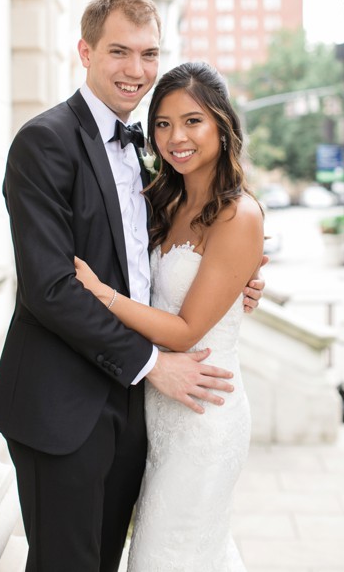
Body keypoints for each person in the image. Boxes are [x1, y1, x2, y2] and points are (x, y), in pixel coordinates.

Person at [0, 0, 264, 572]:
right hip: (62, 405)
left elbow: (164, 257)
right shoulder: (45, 141)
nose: (136, 70)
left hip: (135, 411)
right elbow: (50, 288)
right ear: (84, 52)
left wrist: (236, 281)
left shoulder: (147, 154)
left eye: (149, 53)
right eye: (118, 52)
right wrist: (153, 364)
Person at [73, 60, 263, 570]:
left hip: (205, 412)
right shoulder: (165, 198)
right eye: (163, 123)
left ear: (222, 127)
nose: (175, 136)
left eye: (193, 121)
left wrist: (101, 294)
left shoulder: (238, 214)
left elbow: (184, 330)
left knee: (165, 554)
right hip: (158, 411)